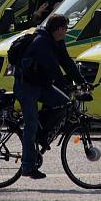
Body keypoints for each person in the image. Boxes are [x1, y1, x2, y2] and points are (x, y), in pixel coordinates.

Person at [15, 14, 87, 179]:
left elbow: (66, 62)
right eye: (66, 29)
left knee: (65, 103)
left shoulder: (56, 41)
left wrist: (81, 82)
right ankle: (27, 167)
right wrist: (66, 84)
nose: (67, 32)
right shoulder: (42, 42)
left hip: (40, 85)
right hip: (26, 87)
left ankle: (42, 133)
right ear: (60, 29)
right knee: (31, 125)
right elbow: (53, 68)